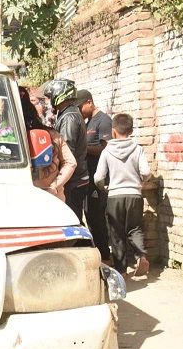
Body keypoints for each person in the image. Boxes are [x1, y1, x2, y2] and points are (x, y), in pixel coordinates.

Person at [94, 113, 151, 277]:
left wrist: (103, 187)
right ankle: (141, 256)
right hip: (134, 194)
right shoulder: (138, 149)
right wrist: (143, 181)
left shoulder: (107, 151)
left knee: (116, 233)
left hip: (114, 196)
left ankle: (122, 271)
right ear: (131, 130)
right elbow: (146, 171)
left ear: (113, 131)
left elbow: (98, 177)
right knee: (135, 228)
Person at [19, 87, 77, 201]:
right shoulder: (51, 134)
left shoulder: (11, 139)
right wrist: (54, 186)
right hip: (54, 198)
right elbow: (71, 162)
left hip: (26, 199)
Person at [76, 89, 113, 264]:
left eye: (80, 107)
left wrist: (83, 148)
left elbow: (108, 149)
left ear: (89, 102)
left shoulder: (103, 121)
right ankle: (98, 253)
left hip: (100, 177)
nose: (79, 111)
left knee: (98, 216)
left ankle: (106, 256)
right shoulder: (88, 121)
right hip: (88, 176)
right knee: (89, 214)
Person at [44, 79, 88, 221]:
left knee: (71, 221)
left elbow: (67, 151)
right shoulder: (67, 113)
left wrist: (57, 181)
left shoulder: (69, 117)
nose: (49, 101)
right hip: (74, 178)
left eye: (50, 97)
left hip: (73, 180)